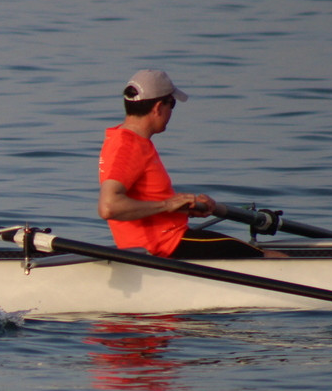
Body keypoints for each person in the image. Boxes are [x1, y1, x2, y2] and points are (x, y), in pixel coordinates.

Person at [97, 69, 266, 259]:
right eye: (172, 104)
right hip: (165, 246)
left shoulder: (130, 141)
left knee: (261, 253)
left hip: (167, 241)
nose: (171, 112)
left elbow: (146, 198)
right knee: (270, 258)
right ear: (159, 107)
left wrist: (184, 206)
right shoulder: (127, 146)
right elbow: (109, 206)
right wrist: (167, 205)